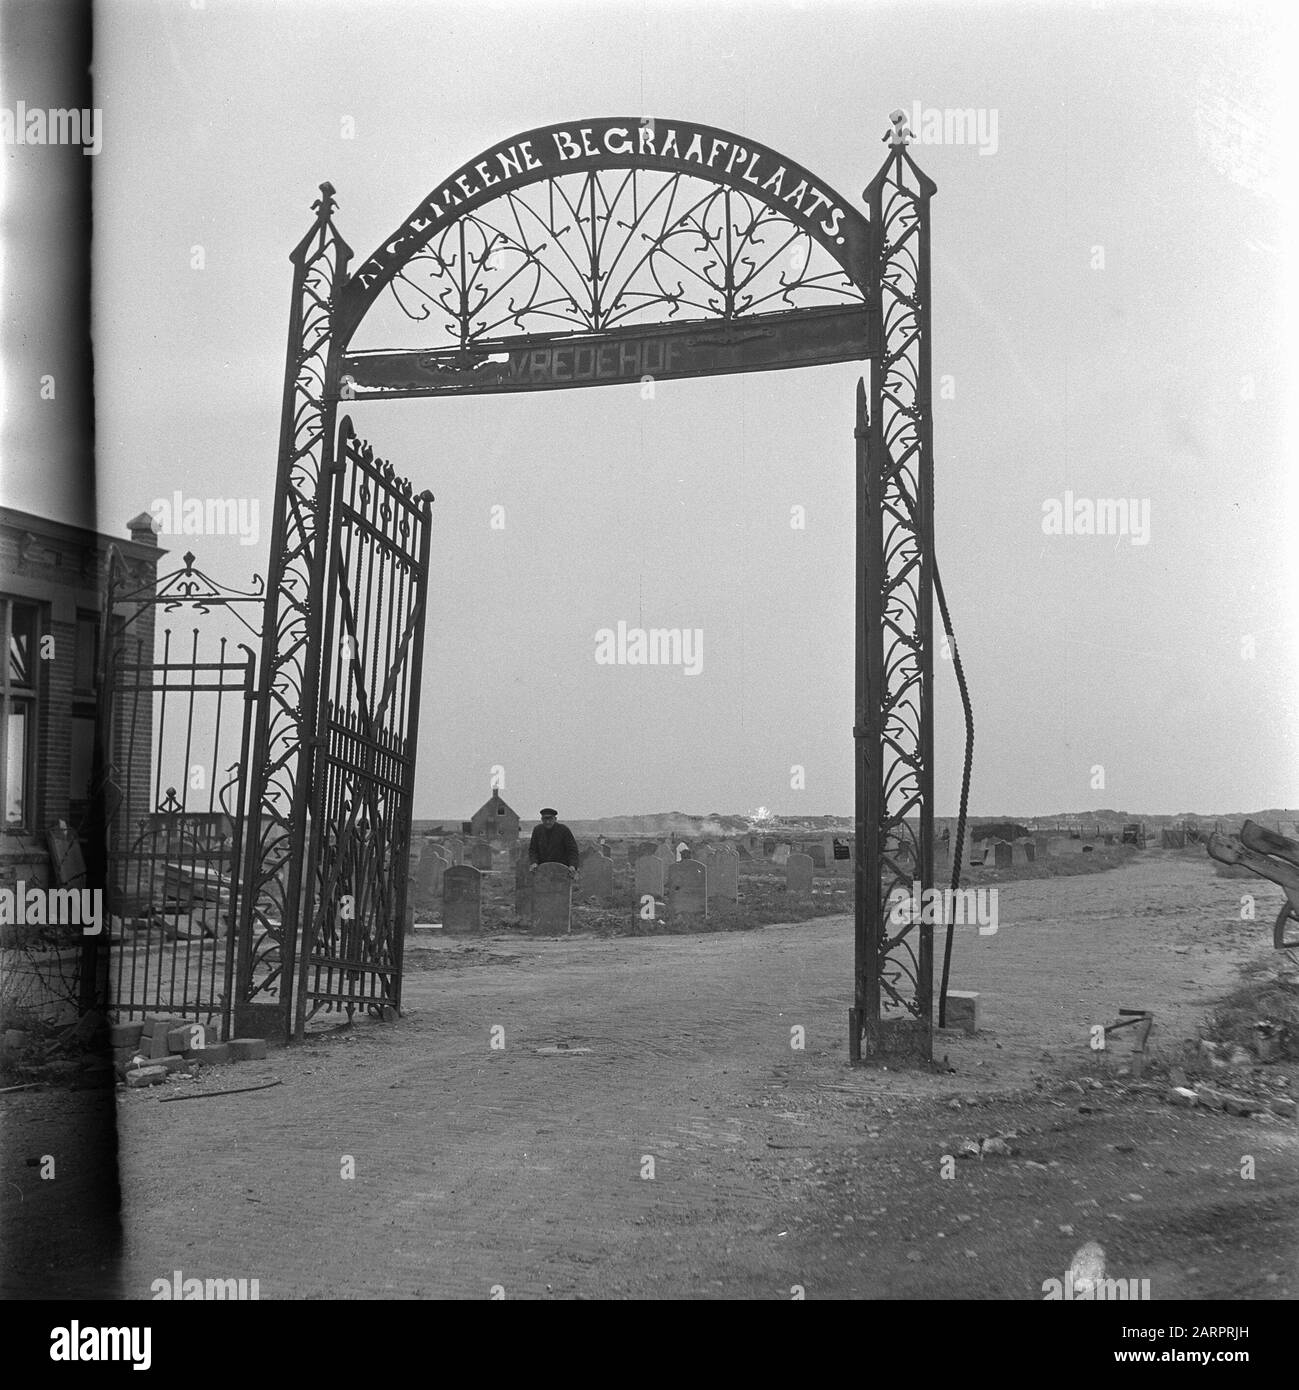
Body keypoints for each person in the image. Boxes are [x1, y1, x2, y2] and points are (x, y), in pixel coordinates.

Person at [528, 808, 579, 877]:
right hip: (543, 870)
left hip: (561, 870)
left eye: (550, 819)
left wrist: (572, 865)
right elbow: (533, 850)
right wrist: (534, 862)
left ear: (555, 819)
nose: (547, 822)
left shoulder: (564, 830)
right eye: (545, 819)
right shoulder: (537, 830)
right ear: (542, 819)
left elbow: (572, 850)